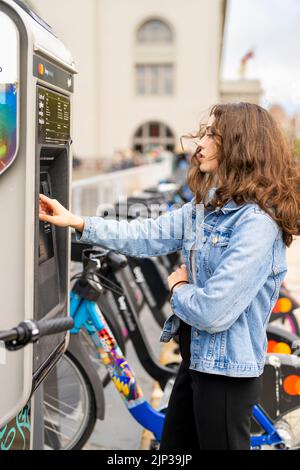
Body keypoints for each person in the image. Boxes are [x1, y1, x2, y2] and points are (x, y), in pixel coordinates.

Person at [39, 102, 300, 450]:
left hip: (225, 377)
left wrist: (177, 286)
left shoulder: (256, 225)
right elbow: (147, 234)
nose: (200, 143)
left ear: (239, 145)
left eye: (212, 135)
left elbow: (213, 311)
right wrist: (78, 222)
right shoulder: (208, 208)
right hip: (197, 363)